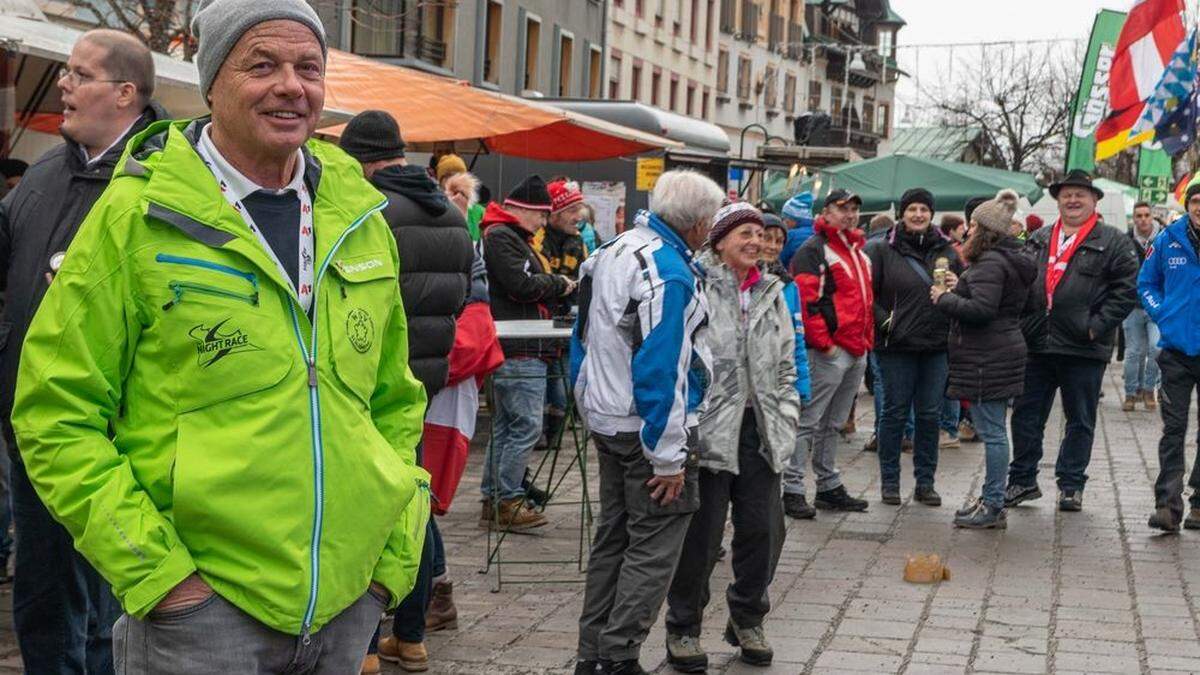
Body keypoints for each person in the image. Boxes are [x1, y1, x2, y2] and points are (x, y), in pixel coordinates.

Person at [11, 4, 432, 671]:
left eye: (308, 67)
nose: (291, 85)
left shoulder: (358, 219)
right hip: (200, 619)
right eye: (261, 64)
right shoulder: (138, 215)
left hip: (347, 606)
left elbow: (395, 402)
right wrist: (161, 577)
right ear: (212, 83)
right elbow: (54, 411)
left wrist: (389, 559)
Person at [0, 29, 163, 674]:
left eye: (78, 74)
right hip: (35, 425)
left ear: (125, 93)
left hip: (116, 433)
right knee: (43, 599)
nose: (62, 85)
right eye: (64, 72)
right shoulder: (44, 172)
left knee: (109, 610)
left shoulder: (163, 178)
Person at [570, 169, 720, 675]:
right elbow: (663, 368)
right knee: (652, 548)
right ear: (699, 223)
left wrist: (586, 397)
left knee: (614, 538)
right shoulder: (666, 270)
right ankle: (617, 655)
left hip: (610, 417)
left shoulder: (612, 249)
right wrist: (670, 454)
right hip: (641, 426)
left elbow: (583, 336)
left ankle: (593, 653)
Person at [339, 110, 473, 673]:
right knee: (411, 504)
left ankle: (365, 647)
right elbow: (462, 298)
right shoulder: (453, 214)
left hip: (369, 381)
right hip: (427, 380)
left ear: (361, 160)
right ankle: (412, 638)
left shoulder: (370, 211)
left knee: (364, 512)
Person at [663, 203, 799, 671]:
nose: (755, 242)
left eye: (760, 235)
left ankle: (747, 617)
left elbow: (785, 360)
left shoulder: (772, 292)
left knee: (763, 531)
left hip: (760, 429)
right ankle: (683, 627)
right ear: (719, 240)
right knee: (701, 538)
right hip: (709, 428)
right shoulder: (696, 285)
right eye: (744, 233)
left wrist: (787, 410)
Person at [1007, 170, 1138, 512]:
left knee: (1079, 419)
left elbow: (1126, 291)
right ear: (1057, 199)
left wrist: (1096, 327)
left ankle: (1071, 484)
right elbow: (1020, 282)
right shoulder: (1038, 237)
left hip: (1084, 346)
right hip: (1037, 343)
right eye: (1067, 194)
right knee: (1025, 415)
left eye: (1081, 194)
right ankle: (1021, 480)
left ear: (1095, 200)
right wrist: (1022, 322)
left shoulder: (1113, 241)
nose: (1073, 199)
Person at [933, 190, 1037, 529]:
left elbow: (982, 310)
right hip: (997, 350)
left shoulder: (991, 261)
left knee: (992, 432)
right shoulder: (1003, 260)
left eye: (972, 225)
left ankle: (993, 504)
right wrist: (960, 285)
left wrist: (945, 298)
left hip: (988, 355)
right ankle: (990, 499)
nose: (966, 230)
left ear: (985, 230)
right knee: (994, 430)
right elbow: (993, 299)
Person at [480, 175, 574, 530]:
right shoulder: (503, 238)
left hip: (521, 343)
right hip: (520, 345)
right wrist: (559, 284)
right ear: (521, 210)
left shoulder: (509, 236)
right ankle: (508, 499)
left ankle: (495, 496)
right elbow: (521, 286)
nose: (543, 223)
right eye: (540, 215)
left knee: (508, 426)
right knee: (526, 427)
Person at [866, 188, 962, 506]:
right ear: (902, 213)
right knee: (893, 414)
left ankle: (925, 482)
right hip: (897, 345)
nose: (918, 214)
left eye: (924, 209)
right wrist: (885, 323)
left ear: (931, 214)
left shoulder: (946, 250)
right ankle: (890, 482)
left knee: (929, 414)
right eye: (912, 209)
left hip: (936, 344)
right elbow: (869, 295)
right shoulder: (881, 250)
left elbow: (964, 291)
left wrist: (957, 287)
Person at [783, 189, 873, 518]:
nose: (849, 214)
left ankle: (827, 483)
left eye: (853, 208)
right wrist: (825, 344)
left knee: (832, 423)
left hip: (853, 349)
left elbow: (864, 301)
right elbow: (807, 303)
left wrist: (865, 340)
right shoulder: (814, 250)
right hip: (831, 351)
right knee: (809, 420)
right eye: (842, 208)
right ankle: (792, 487)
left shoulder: (858, 253)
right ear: (827, 212)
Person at [1144, 183, 1200, 532]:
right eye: (1196, 202)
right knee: (1173, 430)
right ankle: (1167, 505)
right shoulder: (1167, 240)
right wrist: (1162, 312)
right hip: (1177, 351)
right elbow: (1146, 283)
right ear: (1188, 205)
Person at [761, 213, 812, 404]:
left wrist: (802, 385)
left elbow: (797, 338)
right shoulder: (742, 281)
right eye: (767, 238)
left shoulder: (789, 286)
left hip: (781, 381)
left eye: (779, 241)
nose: (773, 246)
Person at [1122, 201, 1161, 412]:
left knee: (1157, 348)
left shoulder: (1164, 238)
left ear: (1152, 216)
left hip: (1156, 304)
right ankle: (1130, 392)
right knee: (1134, 351)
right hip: (1132, 304)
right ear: (1134, 218)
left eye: (1147, 215)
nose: (1143, 219)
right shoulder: (1126, 240)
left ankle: (1148, 389)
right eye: (1139, 215)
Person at [779, 191, 815, 266]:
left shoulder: (791, 236)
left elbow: (780, 260)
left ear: (794, 219)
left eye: (785, 218)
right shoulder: (817, 232)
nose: (784, 222)